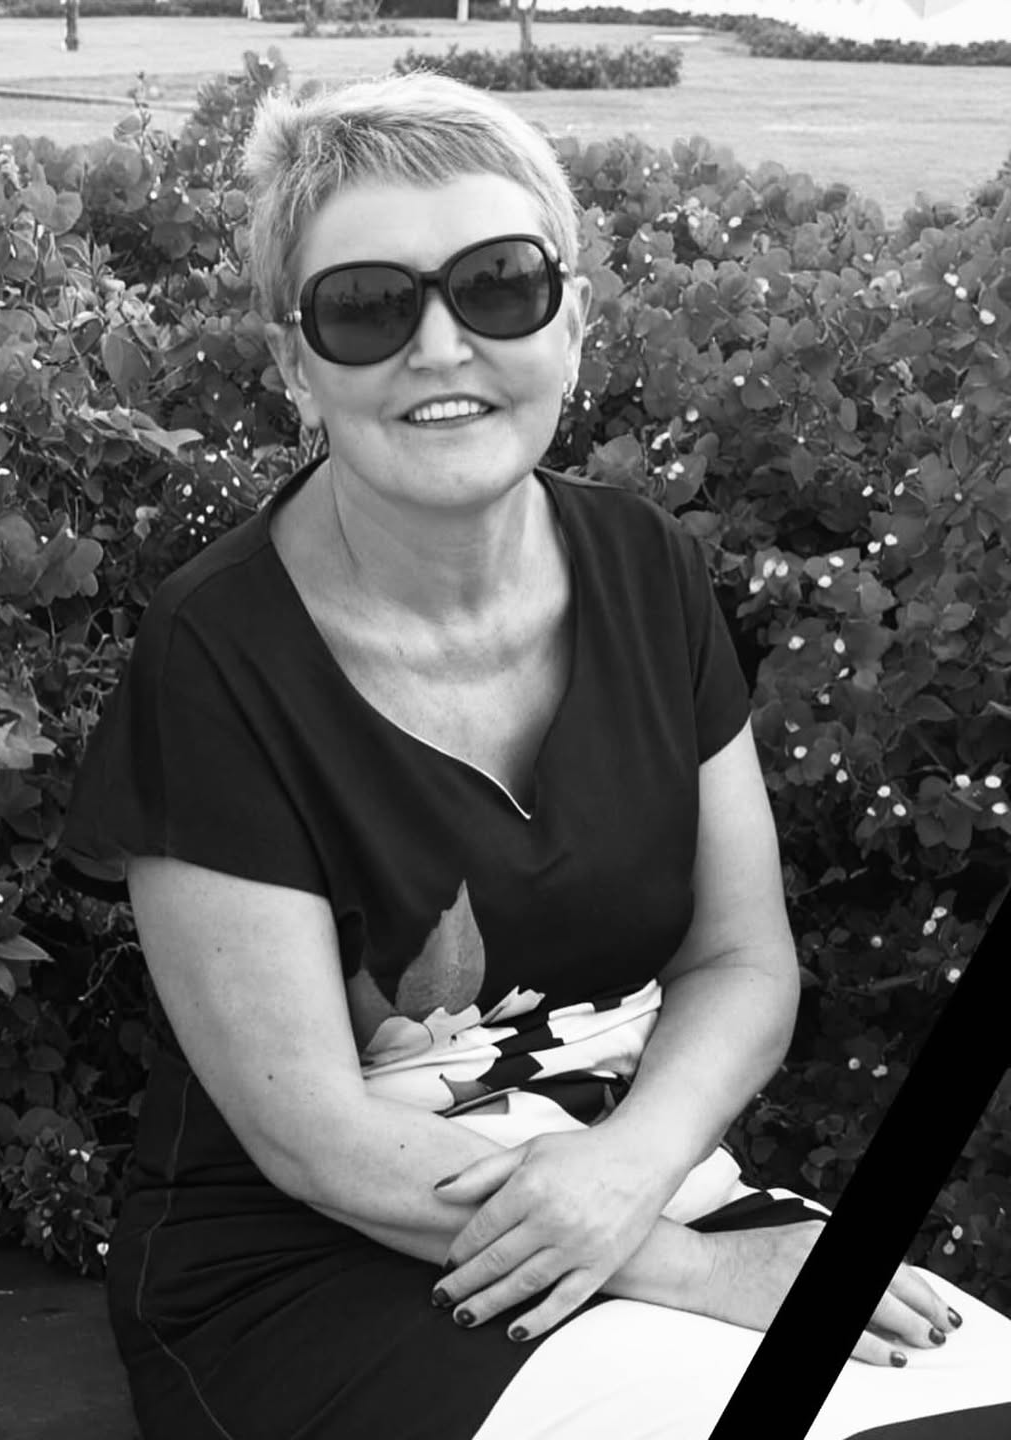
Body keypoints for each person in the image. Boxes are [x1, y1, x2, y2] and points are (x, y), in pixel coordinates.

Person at [55, 72, 1011, 1440]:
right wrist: (701, 1273)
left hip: (634, 1178)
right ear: (293, 363)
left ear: (570, 324)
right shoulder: (216, 652)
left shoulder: (646, 567)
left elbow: (741, 963)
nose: (440, 347)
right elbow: (309, 1133)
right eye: (368, 307)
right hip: (326, 1263)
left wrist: (628, 1176)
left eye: (499, 285)